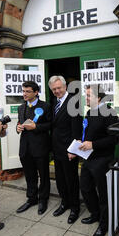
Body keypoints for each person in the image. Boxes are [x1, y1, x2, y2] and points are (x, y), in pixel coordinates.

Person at [70, 85, 117, 236]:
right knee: (86, 188)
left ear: (99, 98)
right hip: (87, 157)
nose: (86, 98)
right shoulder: (90, 112)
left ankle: (104, 225)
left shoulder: (110, 113)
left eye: (89, 96)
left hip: (102, 159)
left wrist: (93, 145)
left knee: (103, 193)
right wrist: (79, 144)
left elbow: (113, 139)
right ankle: (95, 215)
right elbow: (87, 134)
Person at [48, 76, 81, 224]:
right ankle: (64, 202)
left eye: (59, 88)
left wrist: (74, 150)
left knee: (71, 179)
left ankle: (75, 208)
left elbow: (76, 128)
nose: (57, 91)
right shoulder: (54, 101)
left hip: (69, 150)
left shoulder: (74, 102)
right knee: (60, 179)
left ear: (65, 86)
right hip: (57, 148)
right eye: (54, 89)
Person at [16, 81, 52, 215]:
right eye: (23, 91)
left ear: (36, 92)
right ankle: (31, 199)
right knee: (30, 176)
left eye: (27, 91)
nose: (24, 94)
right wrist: (17, 128)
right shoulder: (21, 107)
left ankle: (43, 199)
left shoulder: (46, 106)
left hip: (40, 147)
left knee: (43, 175)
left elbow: (50, 125)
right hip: (25, 148)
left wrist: (36, 127)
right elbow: (20, 124)